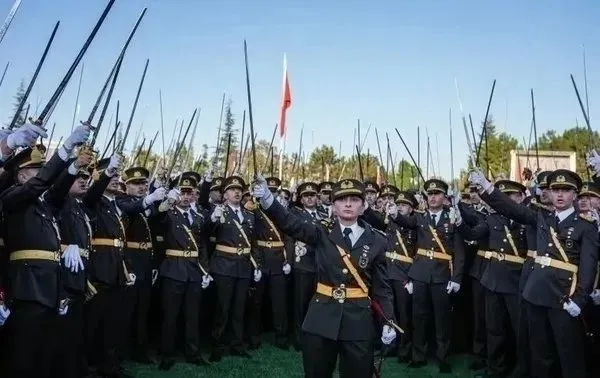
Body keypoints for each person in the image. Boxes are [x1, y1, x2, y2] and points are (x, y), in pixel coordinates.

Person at [253, 176, 397, 378]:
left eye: (354, 199)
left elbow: (382, 288)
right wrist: (268, 198)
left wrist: (388, 321)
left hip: (358, 322)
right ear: (334, 206)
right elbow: (290, 223)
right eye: (341, 199)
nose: (348, 204)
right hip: (321, 318)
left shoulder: (378, 241)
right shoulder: (321, 231)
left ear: (364, 206)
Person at [470, 168, 598, 378]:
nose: (559, 194)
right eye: (555, 189)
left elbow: (588, 266)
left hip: (564, 297)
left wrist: (580, 298)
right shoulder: (542, 217)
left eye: (565, 190)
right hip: (535, 295)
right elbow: (511, 208)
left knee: (569, 354)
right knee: (540, 353)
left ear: (575, 194)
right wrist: (486, 187)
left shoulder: (586, 226)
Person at [0, 124, 91, 378]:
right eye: (35, 169)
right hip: (27, 285)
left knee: (44, 352)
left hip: (49, 285)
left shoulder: (44, 204)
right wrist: (62, 151)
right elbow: (39, 185)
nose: (41, 174)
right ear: (20, 175)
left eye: (42, 168)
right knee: (23, 355)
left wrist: (72, 165)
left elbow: (58, 189)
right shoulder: (13, 197)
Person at [389, 178, 466, 373]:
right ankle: (418, 355)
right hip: (420, 274)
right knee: (419, 318)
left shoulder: (452, 218)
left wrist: (456, 278)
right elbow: (405, 221)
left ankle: (443, 358)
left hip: (441, 276)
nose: (432, 197)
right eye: (429, 194)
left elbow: (459, 252)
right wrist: (394, 214)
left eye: (436, 194)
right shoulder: (420, 217)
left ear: (444, 197)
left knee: (442, 320)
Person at [456, 179, 528, 377]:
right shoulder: (492, 219)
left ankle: (521, 369)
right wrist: (460, 222)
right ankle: (495, 368)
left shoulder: (527, 219)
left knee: (520, 331)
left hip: (518, 281)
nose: (505, 201)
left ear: (521, 198)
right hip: (493, 279)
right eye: (502, 197)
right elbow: (473, 233)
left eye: (510, 196)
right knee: (494, 329)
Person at [156, 172, 211, 370]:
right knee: (170, 315)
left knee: (192, 314)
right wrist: (165, 203)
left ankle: (193, 352)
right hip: (173, 268)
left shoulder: (197, 217)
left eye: (190, 193)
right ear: (176, 194)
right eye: (183, 192)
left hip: (194, 270)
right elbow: (157, 219)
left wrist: (205, 270)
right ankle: (167, 354)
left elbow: (202, 245)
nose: (186, 197)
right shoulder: (168, 213)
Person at [208, 175, 260, 361]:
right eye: (231, 189)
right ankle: (218, 345)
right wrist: (213, 219)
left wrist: (257, 264)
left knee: (239, 309)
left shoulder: (249, 215)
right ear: (225, 194)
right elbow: (206, 233)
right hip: (224, 265)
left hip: (244, 266)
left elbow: (253, 242)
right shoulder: (218, 211)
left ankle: (236, 344)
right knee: (222, 308)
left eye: (239, 189)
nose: (237, 192)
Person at [247, 176, 291, 349]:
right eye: (268, 190)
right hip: (262, 257)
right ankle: (253, 337)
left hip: (279, 259)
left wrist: (288, 260)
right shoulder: (254, 208)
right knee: (256, 302)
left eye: (273, 191)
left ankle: (281, 337)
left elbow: (288, 237)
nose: (270, 193)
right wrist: (256, 263)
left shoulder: (281, 210)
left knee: (279, 302)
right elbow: (252, 238)